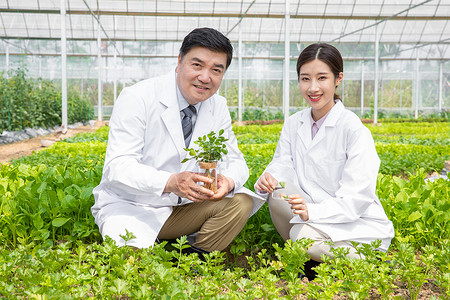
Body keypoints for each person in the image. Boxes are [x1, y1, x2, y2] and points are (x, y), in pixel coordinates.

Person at [92, 27, 261, 256]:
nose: (205, 77)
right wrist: (171, 182)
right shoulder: (137, 97)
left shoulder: (217, 105)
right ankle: (157, 255)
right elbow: (118, 166)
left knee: (240, 202)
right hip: (132, 206)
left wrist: (228, 182)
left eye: (216, 70)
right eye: (197, 65)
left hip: (184, 209)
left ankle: (195, 257)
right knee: (130, 262)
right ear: (180, 61)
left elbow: (236, 161)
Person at [255, 43, 394, 279]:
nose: (313, 88)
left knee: (301, 236)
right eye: (305, 78)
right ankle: (314, 260)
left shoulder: (353, 129)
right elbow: (282, 163)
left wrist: (313, 211)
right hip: (312, 212)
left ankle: (367, 261)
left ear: (338, 79)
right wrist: (269, 178)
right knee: (278, 193)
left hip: (356, 222)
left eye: (322, 78)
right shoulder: (293, 123)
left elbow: (356, 198)